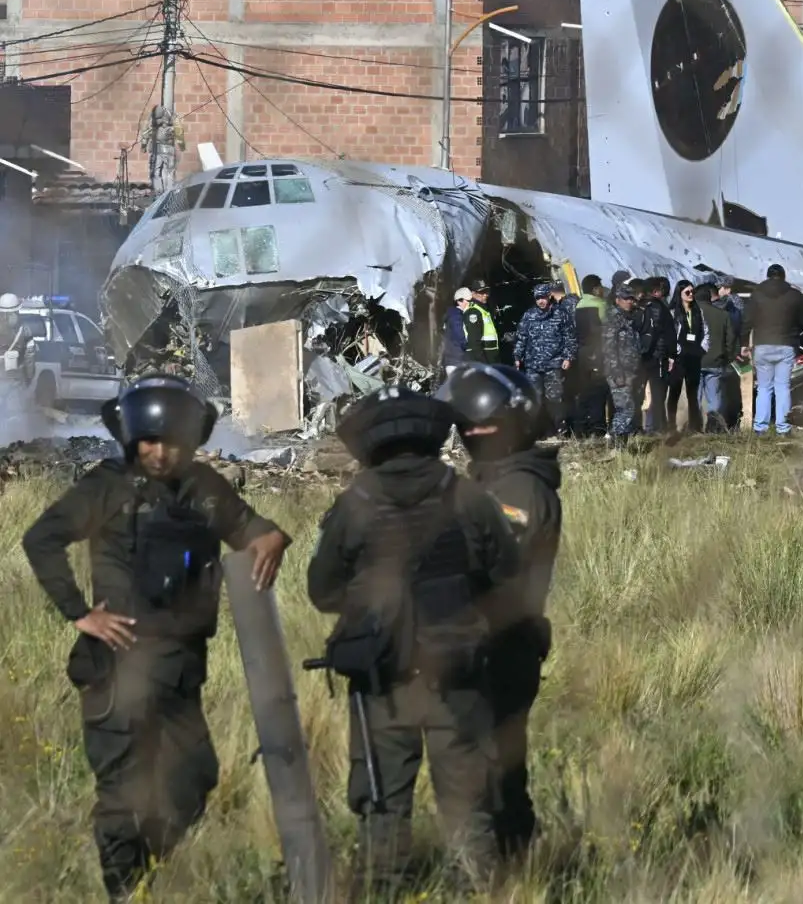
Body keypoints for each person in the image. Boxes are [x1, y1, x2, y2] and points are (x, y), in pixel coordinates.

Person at [22, 375, 291, 902]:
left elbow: (253, 530)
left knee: (195, 780)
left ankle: (145, 874)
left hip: (180, 667)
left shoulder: (203, 488)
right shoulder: (106, 486)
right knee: (122, 793)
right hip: (115, 668)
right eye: (149, 440)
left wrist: (273, 538)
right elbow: (42, 540)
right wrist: (80, 614)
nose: (160, 452)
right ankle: (125, 892)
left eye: (170, 440)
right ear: (131, 438)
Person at [307, 387, 520, 894]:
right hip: (458, 676)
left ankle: (385, 890)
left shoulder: (354, 505)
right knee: (469, 806)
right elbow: (506, 575)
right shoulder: (468, 498)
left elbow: (322, 590)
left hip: (384, 680)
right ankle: (477, 888)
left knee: (382, 804)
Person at [439, 365, 562, 863]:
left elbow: (488, 566)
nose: (471, 436)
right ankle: (519, 869)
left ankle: (490, 878)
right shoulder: (498, 481)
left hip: (499, 648)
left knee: (480, 779)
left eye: (481, 427)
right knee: (501, 777)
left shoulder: (518, 489)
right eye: (465, 428)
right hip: (488, 645)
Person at [740, 263, 803, 436]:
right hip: (786, 345)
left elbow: (747, 320)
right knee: (783, 387)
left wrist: (743, 343)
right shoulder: (795, 295)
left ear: (767, 276)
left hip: (762, 345)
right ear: (784, 277)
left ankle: (760, 427)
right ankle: (783, 428)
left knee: (764, 388)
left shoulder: (757, 295)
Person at [513, 283, 576, 435]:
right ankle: (536, 431)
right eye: (538, 298)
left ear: (549, 297)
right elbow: (522, 337)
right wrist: (517, 356)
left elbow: (570, 338)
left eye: (543, 298)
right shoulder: (529, 316)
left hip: (554, 364)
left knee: (554, 399)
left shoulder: (561, 314)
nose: (541, 301)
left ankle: (559, 430)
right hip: (533, 365)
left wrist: (568, 357)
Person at [601, 284, 646, 441]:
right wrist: (617, 372)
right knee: (626, 408)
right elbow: (609, 348)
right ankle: (616, 442)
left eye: (632, 299)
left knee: (628, 408)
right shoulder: (613, 319)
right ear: (618, 300)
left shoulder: (629, 318)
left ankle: (619, 440)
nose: (630, 302)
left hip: (630, 371)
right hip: (619, 372)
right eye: (626, 299)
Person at [696, 282, 739, 432]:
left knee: (695, 395)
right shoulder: (723, 315)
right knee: (714, 396)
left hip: (694, 362)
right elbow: (731, 339)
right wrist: (728, 356)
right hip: (716, 361)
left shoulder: (689, 315)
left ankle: (695, 426)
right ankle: (713, 427)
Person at [638, 278, 678, 434]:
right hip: (657, 355)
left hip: (639, 356)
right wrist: (671, 355)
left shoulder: (638, 306)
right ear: (656, 291)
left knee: (639, 394)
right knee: (658, 392)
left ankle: (641, 426)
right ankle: (658, 427)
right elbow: (668, 334)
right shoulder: (659, 308)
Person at [572, 274, 610, 437]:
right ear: (595, 289)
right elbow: (608, 328)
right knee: (599, 391)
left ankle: (581, 428)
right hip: (597, 351)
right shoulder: (601, 305)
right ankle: (598, 428)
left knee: (584, 391)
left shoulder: (579, 304)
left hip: (582, 353)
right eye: (600, 286)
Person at [671, 279, 707, 432]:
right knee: (674, 392)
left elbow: (706, 332)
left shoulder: (698, 311)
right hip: (678, 358)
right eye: (687, 292)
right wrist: (673, 352)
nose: (691, 294)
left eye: (693, 292)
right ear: (680, 294)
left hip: (694, 357)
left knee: (693, 394)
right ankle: (670, 425)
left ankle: (694, 426)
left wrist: (702, 349)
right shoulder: (673, 313)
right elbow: (669, 335)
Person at [464, 281, 500, 364]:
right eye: (481, 292)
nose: (485, 295)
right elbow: (474, 342)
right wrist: (483, 364)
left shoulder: (483, 309)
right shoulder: (473, 312)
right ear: (473, 293)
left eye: (486, 291)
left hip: (491, 358)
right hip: (484, 360)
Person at [443, 287, 475, 372]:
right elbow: (460, 336)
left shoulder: (458, 315)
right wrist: (470, 347)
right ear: (459, 301)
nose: (471, 304)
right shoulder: (456, 316)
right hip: (456, 361)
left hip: (457, 360)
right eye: (468, 301)